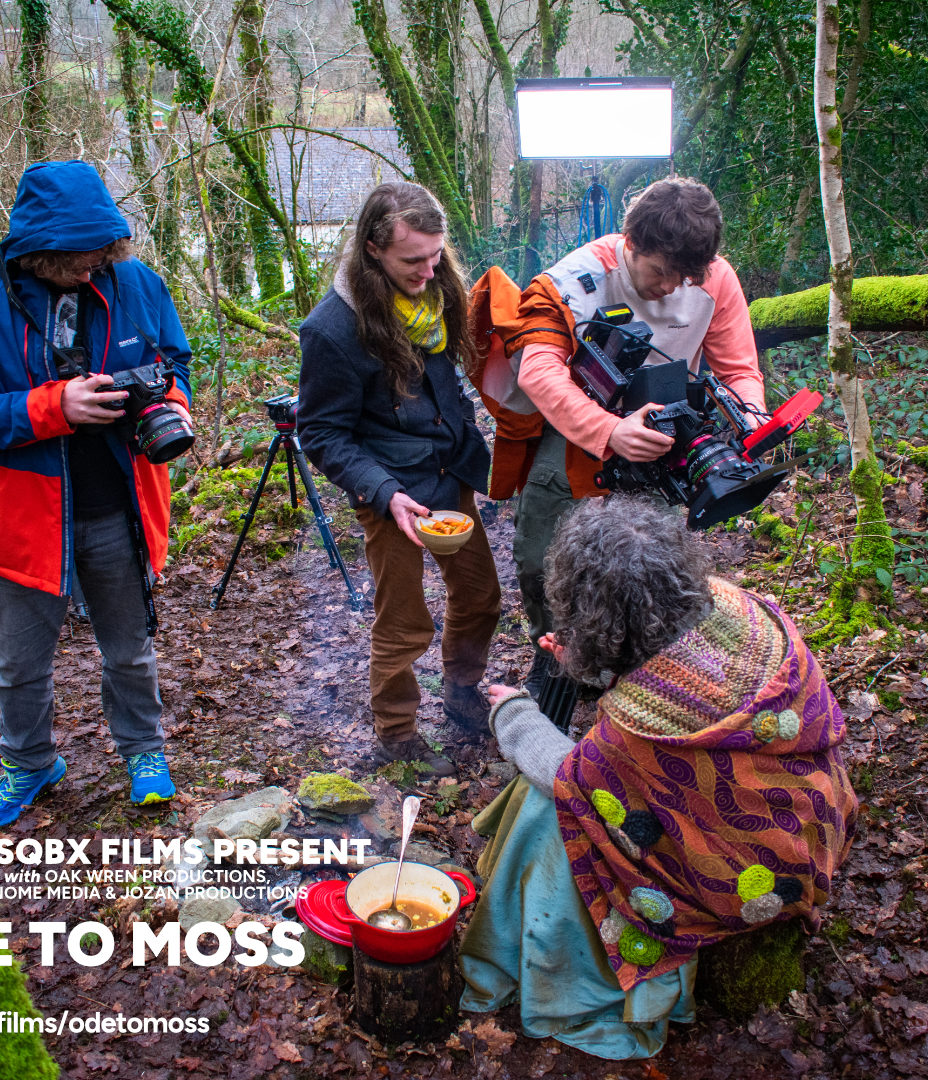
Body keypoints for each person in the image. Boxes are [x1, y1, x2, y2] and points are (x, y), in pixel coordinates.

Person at [457, 495, 857, 1058]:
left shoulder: (640, 730)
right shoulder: (745, 610)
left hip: (747, 870)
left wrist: (513, 712)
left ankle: (551, 960)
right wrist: (590, 660)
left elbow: (571, 775)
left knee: (546, 808)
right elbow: (666, 673)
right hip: (813, 816)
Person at [0, 160, 193, 828]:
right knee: (20, 664)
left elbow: (175, 359)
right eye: (78, 262)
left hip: (119, 503)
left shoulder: (136, 282)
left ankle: (144, 751)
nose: (92, 273)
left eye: (101, 258)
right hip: (21, 515)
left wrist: (167, 401)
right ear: (38, 250)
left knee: (128, 647)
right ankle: (28, 762)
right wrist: (53, 406)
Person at [487, 178, 767, 695]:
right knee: (541, 555)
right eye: (661, 272)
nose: (670, 287)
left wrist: (751, 422)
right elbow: (539, 372)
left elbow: (739, 367)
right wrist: (610, 431)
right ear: (631, 242)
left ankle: (645, 678)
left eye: (686, 277)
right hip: (579, 430)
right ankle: (560, 662)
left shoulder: (715, 281)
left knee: (651, 566)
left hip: (663, 434)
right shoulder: (572, 281)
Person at [297, 183, 501, 777]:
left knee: (481, 596)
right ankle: (398, 730)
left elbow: (453, 381)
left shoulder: (438, 293)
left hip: (449, 470)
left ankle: (462, 689)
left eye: (436, 257)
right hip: (389, 490)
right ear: (373, 250)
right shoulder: (333, 329)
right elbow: (323, 434)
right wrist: (385, 494)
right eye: (413, 260)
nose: (429, 270)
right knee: (405, 618)